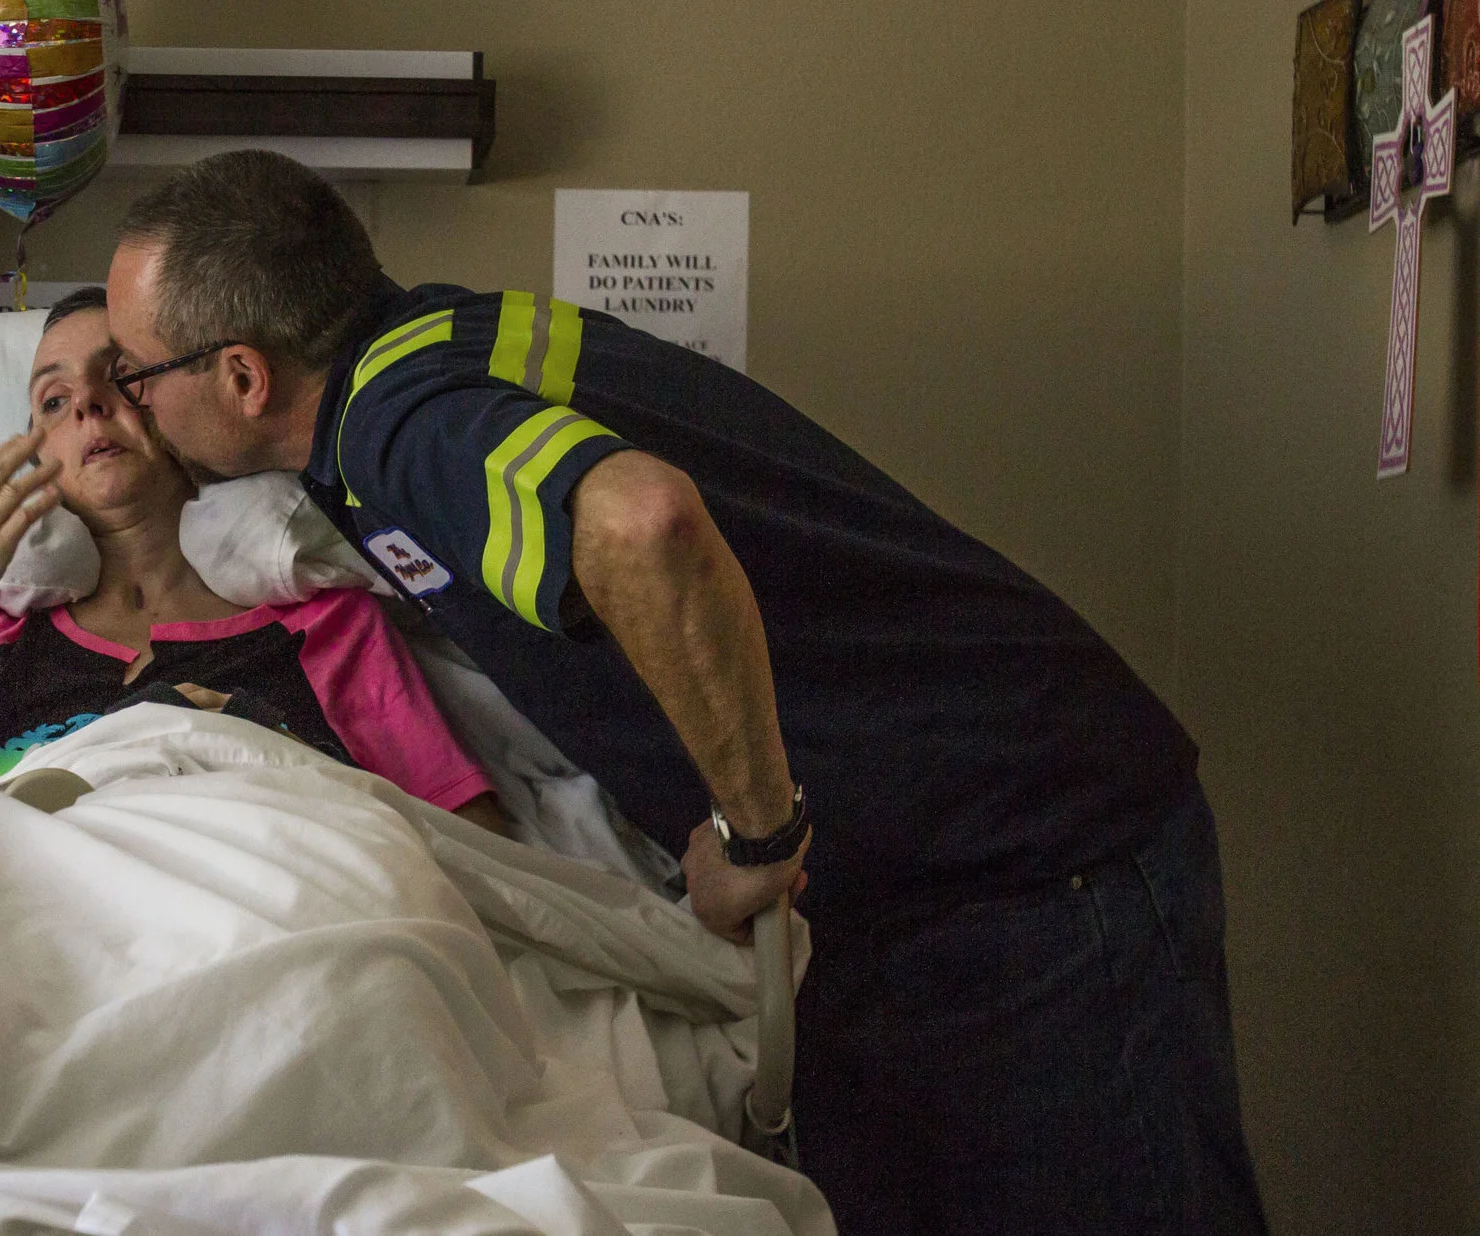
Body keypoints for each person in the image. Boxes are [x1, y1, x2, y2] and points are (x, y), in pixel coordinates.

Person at [99, 149, 1267, 1235]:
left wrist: (756, 828)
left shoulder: (397, 428)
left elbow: (640, 522)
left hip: (1029, 854)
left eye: (137, 374)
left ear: (244, 374)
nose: (130, 405)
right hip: (922, 881)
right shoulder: (434, 338)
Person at [0, 286, 508, 832]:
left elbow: (472, 848)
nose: (87, 402)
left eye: (121, 375)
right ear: (41, 463)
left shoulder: (326, 622)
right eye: (53, 401)